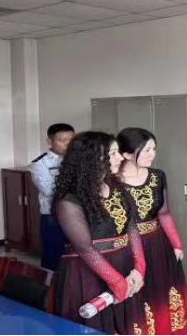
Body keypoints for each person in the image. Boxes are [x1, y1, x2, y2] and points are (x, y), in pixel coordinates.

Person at [53, 132, 148, 335]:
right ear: (91, 159)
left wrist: (139, 267)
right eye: (112, 153)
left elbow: (131, 227)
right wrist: (117, 282)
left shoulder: (115, 187)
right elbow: (85, 249)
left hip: (124, 265)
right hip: (89, 273)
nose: (120, 157)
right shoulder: (69, 200)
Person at [117, 128, 187, 335]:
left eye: (154, 149)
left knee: (164, 293)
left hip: (158, 243)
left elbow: (164, 213)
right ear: (127, 154)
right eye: (147, 150)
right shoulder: (112, 181)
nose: (153, 154)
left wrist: (176, 244)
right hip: (126, 248)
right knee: (138, 298)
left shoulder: (158, 176)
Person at [30, 123, 75, 271]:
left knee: (75, 255)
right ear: (50, 141)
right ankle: (50, 284)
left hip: (77, 214)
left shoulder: (79, 160)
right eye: (62, 140)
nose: (68, 144)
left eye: (71, 139)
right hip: (53, 216)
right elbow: (49, 190)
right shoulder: (40, 163)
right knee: (53, 257)